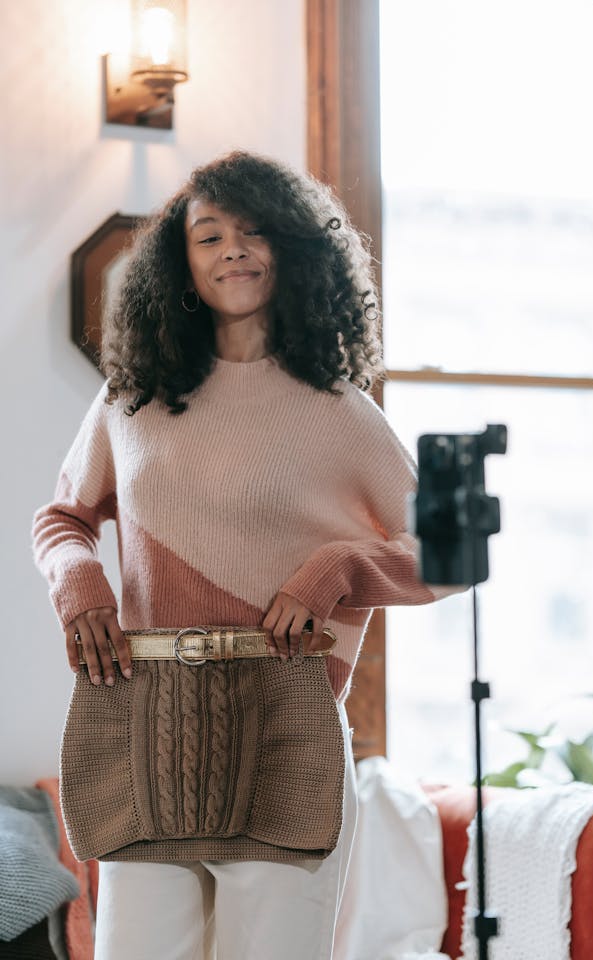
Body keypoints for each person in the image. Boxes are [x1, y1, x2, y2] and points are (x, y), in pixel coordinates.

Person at [31, 150, 464, 960]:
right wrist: (80, 582)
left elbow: (447, 554)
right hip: (143, 716)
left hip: (286, 722)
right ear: (181, 263)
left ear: (293, 247)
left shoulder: (340, 410)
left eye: (253, 230)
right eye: (209, 235)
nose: (232, 248)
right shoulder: (132, 399)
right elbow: (62, 518)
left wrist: (339, 567)